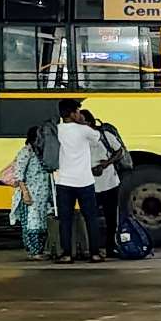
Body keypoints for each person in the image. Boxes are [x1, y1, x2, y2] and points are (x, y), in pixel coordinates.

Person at [54, 98, 105, 264]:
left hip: (63, 182)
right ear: (72, 113)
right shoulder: (83, 130)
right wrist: (85, 123)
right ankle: (95, 253)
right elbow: (97, 137)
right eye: (77, 111)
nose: (79, 114)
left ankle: (67, 254)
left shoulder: (57, 129)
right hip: (84, 182)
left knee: (65, 220)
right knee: (90, 218)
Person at [81, 109, 125, 256]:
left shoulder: (104, 135)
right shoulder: (80, 138)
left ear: (90, 122)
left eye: (82, 121)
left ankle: (110, 247)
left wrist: (106, 164)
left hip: (110, 182)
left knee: (111, 218)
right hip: (90, 184)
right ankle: (94, 248)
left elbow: (119, 151)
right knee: (91, 217)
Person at [9, 126, 54, 259]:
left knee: (42, 222)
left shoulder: (39, 152)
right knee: (32, 223)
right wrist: (25, 193)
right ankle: (34, 252)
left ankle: (39, 250)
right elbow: (18, 174)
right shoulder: (26, 151)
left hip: (42, 195)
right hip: (31, 195)